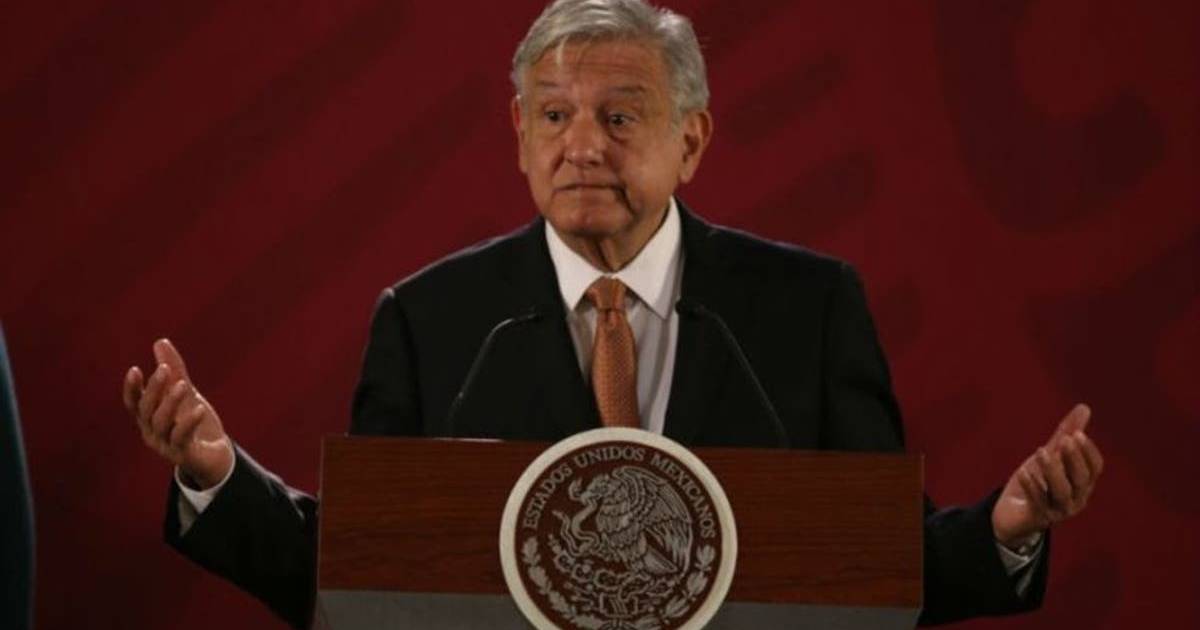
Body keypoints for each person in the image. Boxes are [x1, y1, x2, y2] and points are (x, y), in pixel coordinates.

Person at [122, 1, 1104, 628]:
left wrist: (1006, 527)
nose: (582, 145)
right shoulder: (433, 321)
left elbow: (878, 565)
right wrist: (217, 475)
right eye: (554, 115)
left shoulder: (806, 310)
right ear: (520, 135)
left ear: (693, 139)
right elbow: (356, 576)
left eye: (619, 116)